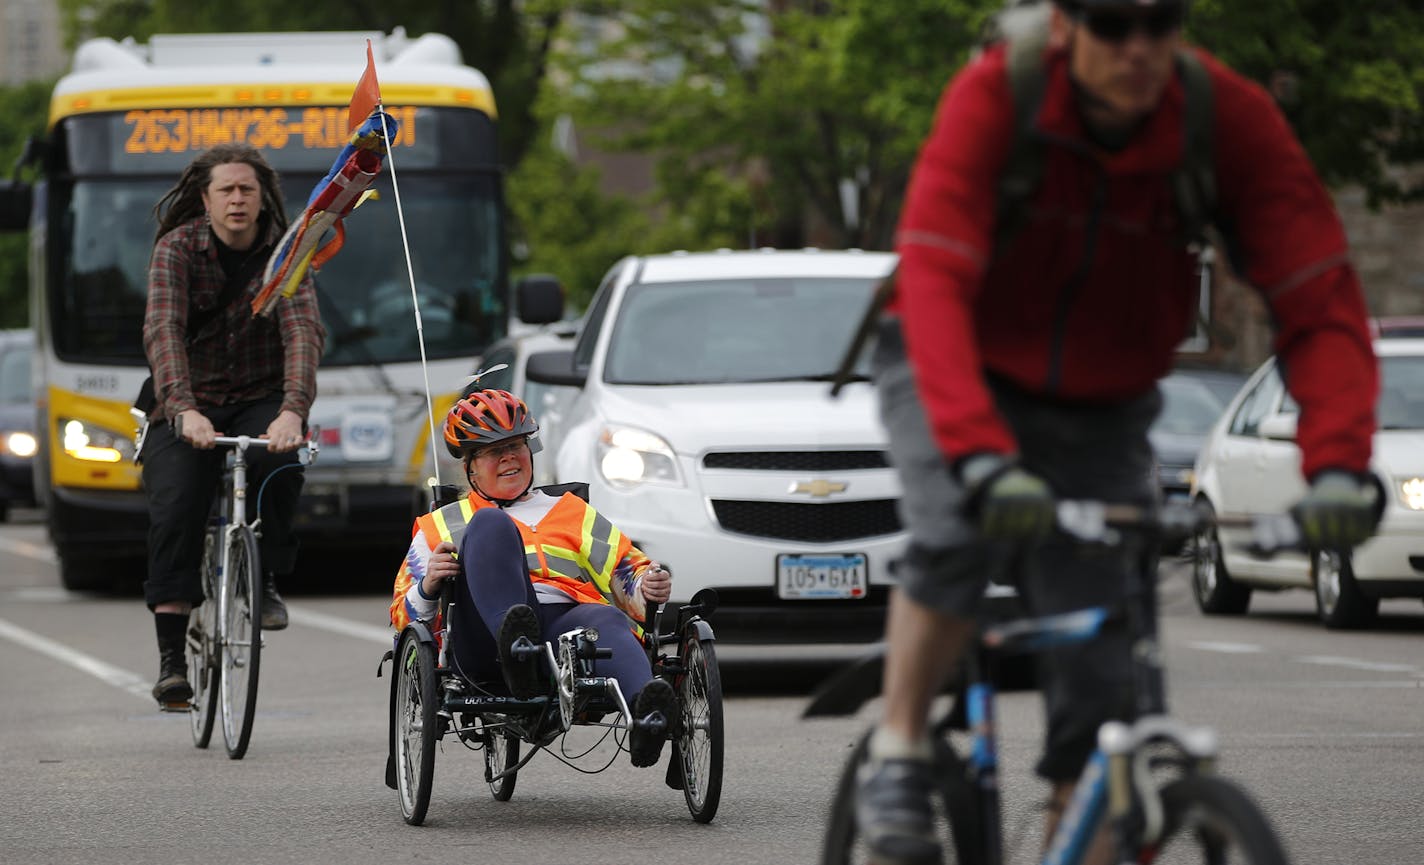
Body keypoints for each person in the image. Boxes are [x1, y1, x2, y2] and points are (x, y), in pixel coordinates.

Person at [855, 2, 1381, 863]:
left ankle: (1083, 817)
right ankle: (900, 751)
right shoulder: (998, 99)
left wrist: (1336, 467)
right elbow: (939, 282)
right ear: (1063, 27)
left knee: (1109, 703)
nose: (1138, 47)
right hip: (950, 359)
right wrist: (983, 458)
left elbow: (1318, 298)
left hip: (1100, 406)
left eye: (1159, 21)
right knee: (956, 521)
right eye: (1111, 22)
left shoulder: (1225, 120)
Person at [389, 389, 677, 767]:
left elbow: (626, 570)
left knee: (604, 618)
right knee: (490, 522)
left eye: (517, 446)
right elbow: (401, 619)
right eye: (494, 451)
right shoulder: (442, 524)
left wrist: (646, 584)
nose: (509, 457)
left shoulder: (571, 511)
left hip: (562, 633)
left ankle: (647, 717)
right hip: (483, 641)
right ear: (470, 466)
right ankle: (516, 650)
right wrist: (428, 587)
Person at [143, 142, 326, 707]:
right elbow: (163, 331)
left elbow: (302, 334)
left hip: (260, 395)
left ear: (261, 195)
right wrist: (182, 408)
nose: (238, 199)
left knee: (281, 462)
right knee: (176, 504)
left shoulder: (286, 253)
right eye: (226, 189)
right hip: (186, 400)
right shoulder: (176, 249)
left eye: (247, 188)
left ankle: (265, 574)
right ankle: (173, 660)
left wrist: (293, 410)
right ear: (206, 198)